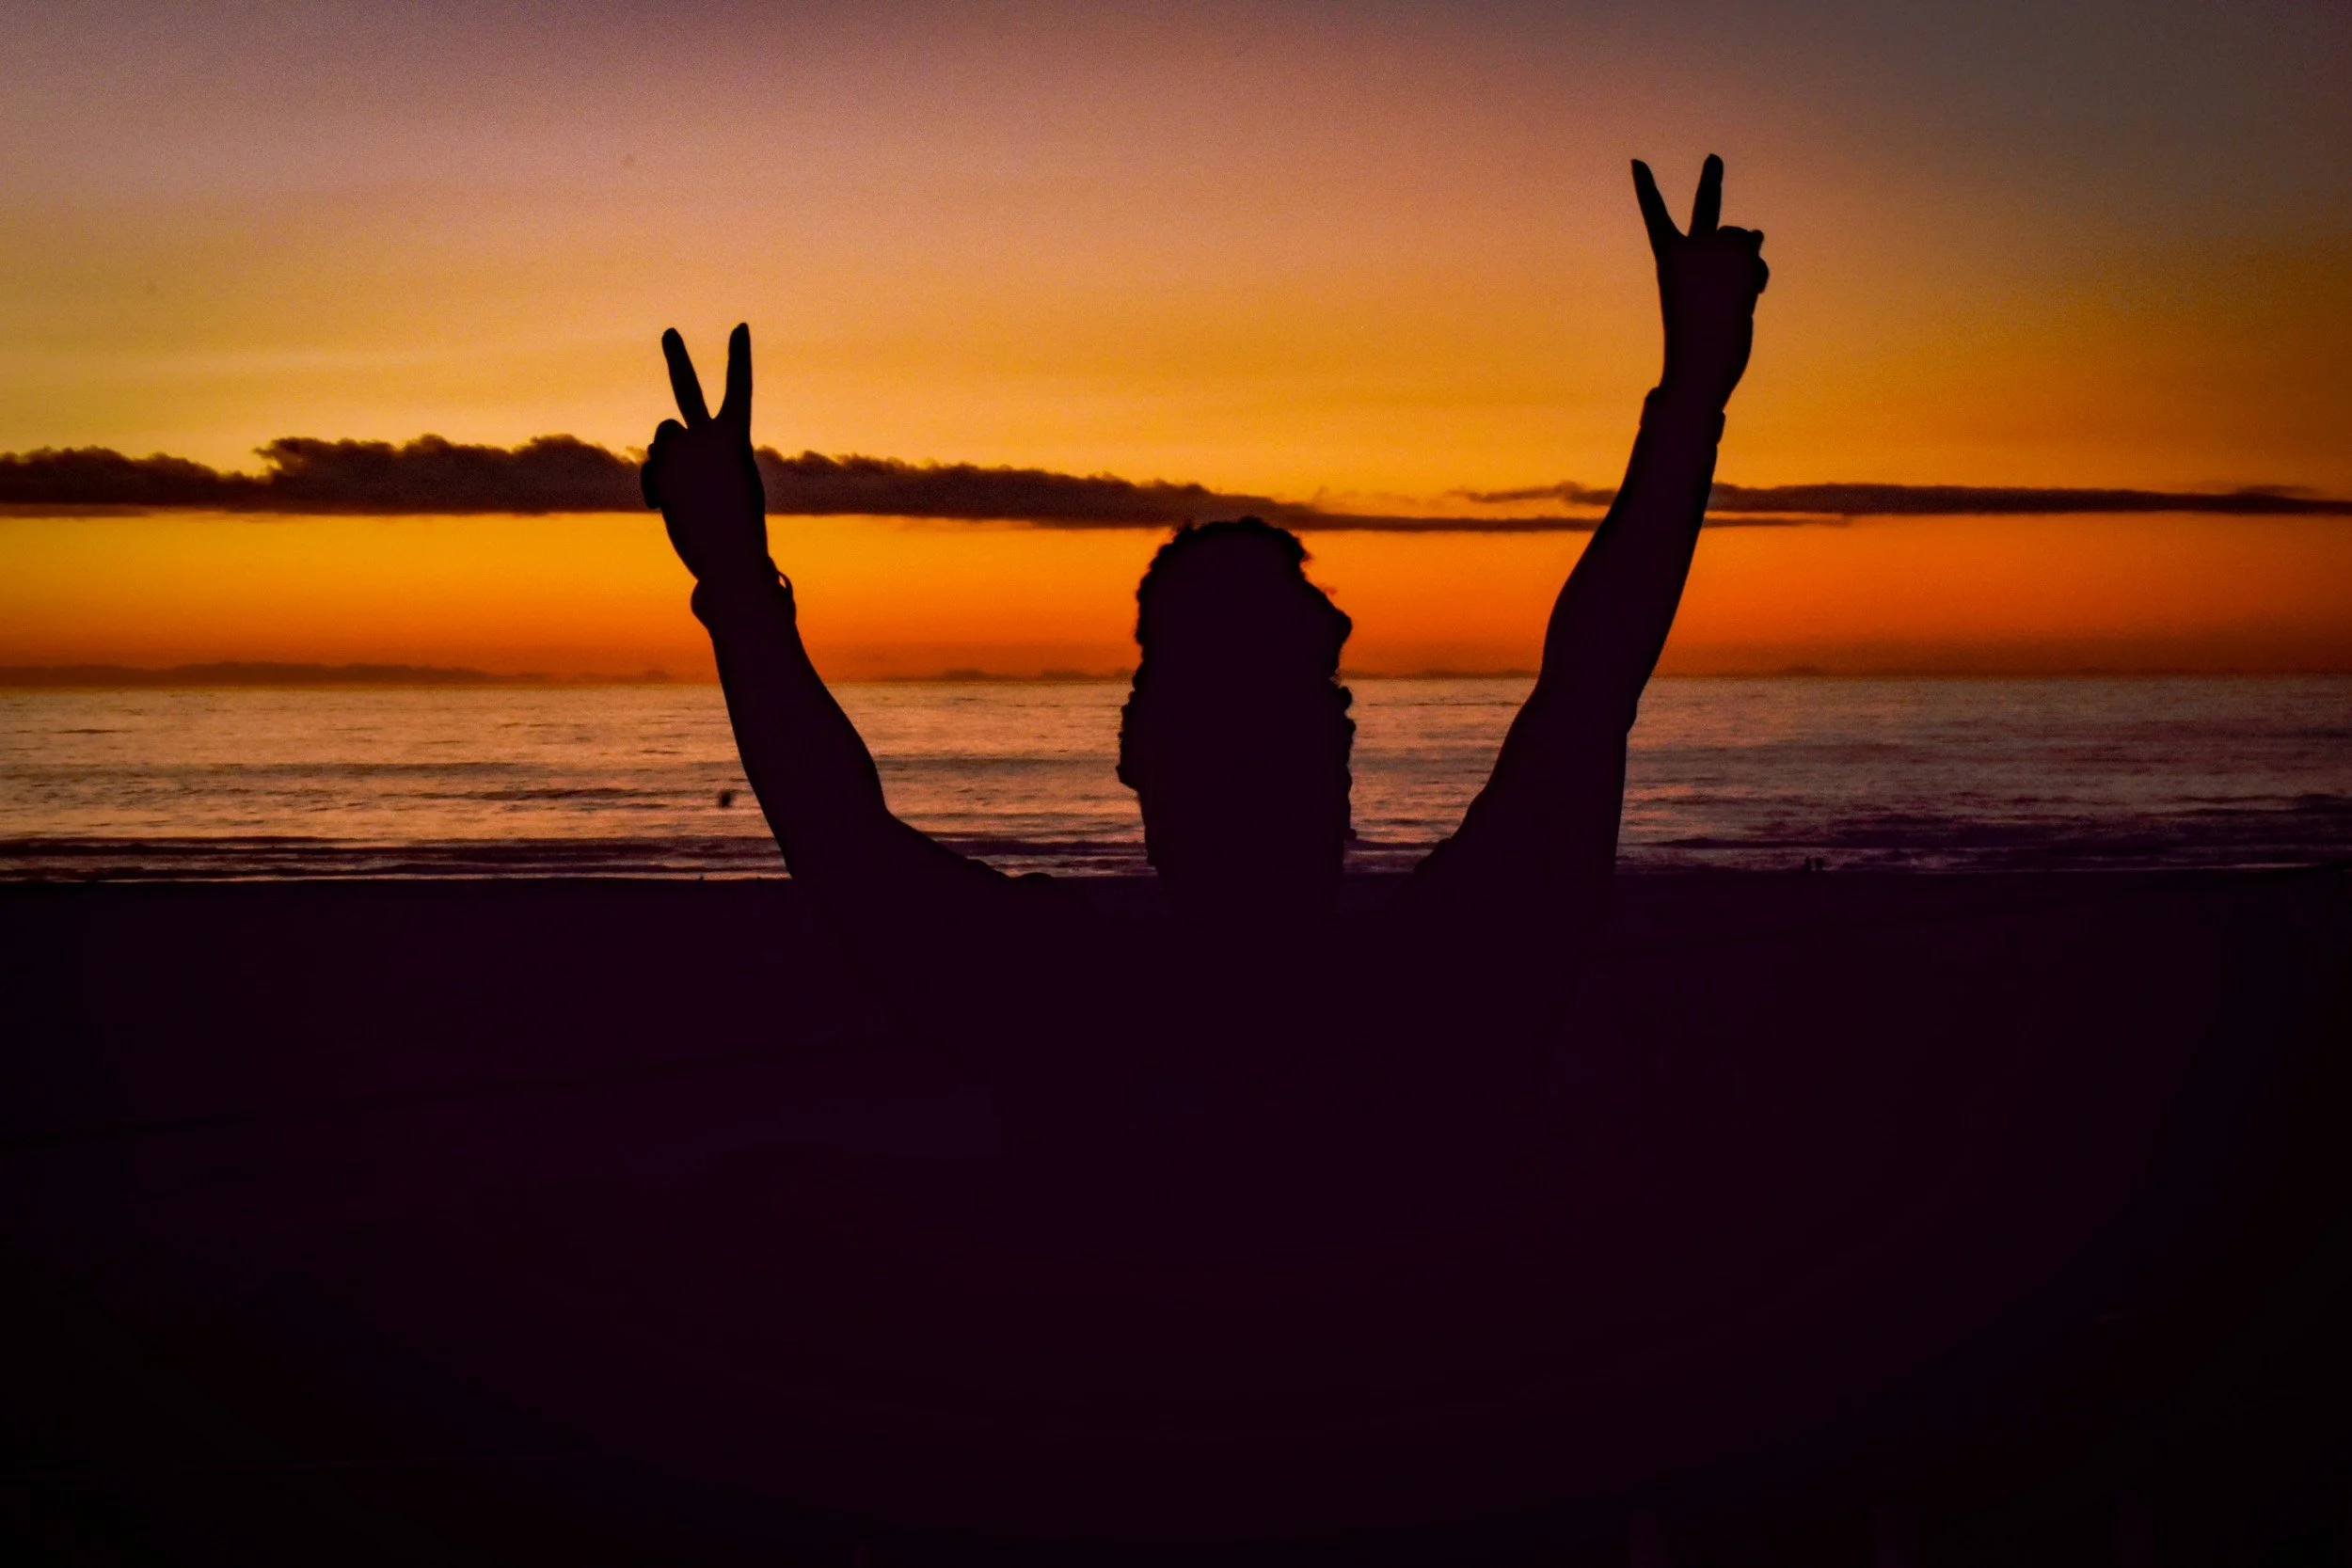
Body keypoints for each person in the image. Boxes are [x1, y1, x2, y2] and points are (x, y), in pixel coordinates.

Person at [642, 156, 1766, 1166]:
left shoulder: (1052, 1004)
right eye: (1307, 691)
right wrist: (1690, 402)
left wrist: (738, 581)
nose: (1315, 726)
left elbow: (840, 836)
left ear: (1135, 749)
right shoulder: (1452, 980)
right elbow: (1588, 689)